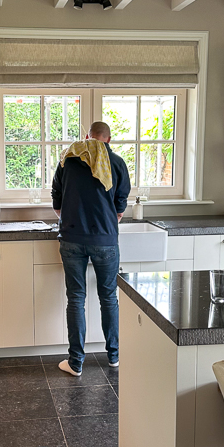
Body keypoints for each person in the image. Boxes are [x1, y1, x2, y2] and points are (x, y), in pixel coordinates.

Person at [51, 121, 131, 376]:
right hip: (105, 240)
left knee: (76, 297)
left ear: (87, 137)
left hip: (72, 237)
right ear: (109, 139)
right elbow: (120, 203)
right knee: (108, 297)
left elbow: (56, 198)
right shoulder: (116, 162)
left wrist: (70, 217)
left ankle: (75, 362)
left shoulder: (68, 159)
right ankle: (114, 357)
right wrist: (108, 219)